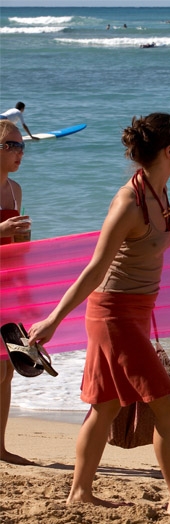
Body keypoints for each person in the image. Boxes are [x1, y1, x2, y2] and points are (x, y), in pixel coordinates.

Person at [26, 113, 170, 519]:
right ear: (169, 150)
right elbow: (96, 268)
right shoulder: (130, 202)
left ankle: (80, 493)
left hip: (137, 312)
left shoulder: (159, 191)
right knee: (168, 405)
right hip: (113, 315)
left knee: (107, 404)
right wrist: (54, 320)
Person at [0, 119, 33, 465]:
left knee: (9, 369)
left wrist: (26, 292)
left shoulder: (15, 189)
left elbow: (16, 248)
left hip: (7, 285)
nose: (19, 152)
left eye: (21, 145)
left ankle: (0, 446)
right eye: (11, 145)